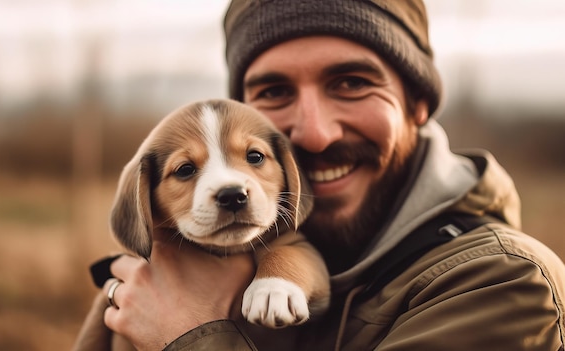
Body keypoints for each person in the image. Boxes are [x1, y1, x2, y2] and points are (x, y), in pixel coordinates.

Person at [74, 0, 565, 350]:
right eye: (274, 91)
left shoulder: (503, 285)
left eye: (351, 83)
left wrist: (190, 334)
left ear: (418, 102)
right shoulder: (267, 236)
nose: (313, 134)